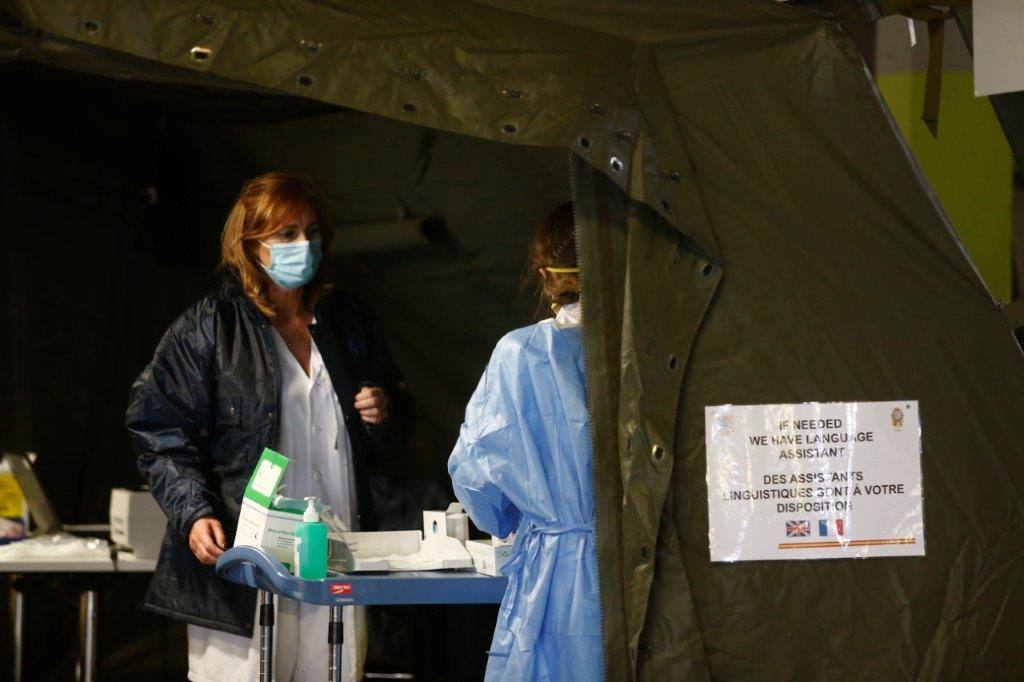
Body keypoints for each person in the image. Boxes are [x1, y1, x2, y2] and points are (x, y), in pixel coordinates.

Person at [126, 172, 413, 682]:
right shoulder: (210, 327)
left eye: (311, 231)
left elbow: (398, 430)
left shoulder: (349, 320)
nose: (304, 245)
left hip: (336, 555)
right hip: (247, 562)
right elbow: (159, 430)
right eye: (286, 235)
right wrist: (193, 513)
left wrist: (384, 412)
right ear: (249, 244)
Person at [447, 202, 601, 681]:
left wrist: (520, 519)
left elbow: (476, 477)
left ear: (543, 273)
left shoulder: (519, 355)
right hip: (649, 576)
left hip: (553, 584)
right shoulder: (655, 355)